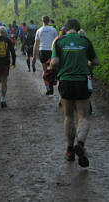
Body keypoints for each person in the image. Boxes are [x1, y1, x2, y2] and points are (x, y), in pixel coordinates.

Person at [50, 18, 99, 167]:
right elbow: (96, 61)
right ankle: (80, 143)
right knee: (83, 116)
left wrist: (53, 65)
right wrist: (87, 62)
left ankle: (70, 150)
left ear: (65, 29)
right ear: (78, 29)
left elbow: (55, 62)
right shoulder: (85, 41)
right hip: (82, 81)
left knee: (68, 116)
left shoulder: (59, 42)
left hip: (65, 81)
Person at [32, 15, 58, 95]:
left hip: (42, 50)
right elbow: (57, 41)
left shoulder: (39, 30)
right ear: (49, 21)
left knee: (45, 70)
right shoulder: (53, 30)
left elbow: (35, 44)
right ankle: (52, 85)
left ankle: (47, 88)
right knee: (53, 70)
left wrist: (34, 56)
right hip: (51, 51)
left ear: (42, 21)